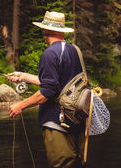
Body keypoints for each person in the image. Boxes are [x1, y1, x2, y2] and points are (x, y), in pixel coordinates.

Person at [6, 11, 86, 168]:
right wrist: (24, 76)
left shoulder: (49, 54)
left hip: (56, 121)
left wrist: (20, 106)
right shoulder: (74, 50)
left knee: (62, 164)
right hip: (77, 119)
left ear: (46, 30)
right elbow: (59, 85)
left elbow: (48, 92)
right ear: (62, 31)